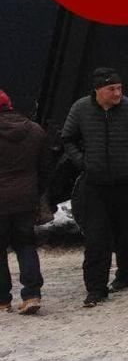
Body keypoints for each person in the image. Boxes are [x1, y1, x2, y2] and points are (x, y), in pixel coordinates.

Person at [61, 68, 128, 307]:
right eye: (111, 89)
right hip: (95, 185)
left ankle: (126, 276)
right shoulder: (81, 109)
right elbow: (68, 138)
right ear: (98, 91)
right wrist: (83, 162)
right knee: (96, 239)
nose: (117, 93)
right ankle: (95, 289)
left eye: (119, 88)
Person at [0, 90, 52, 315]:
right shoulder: (34, 130)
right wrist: (36, 192)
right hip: (25, 198)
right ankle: (31, 294)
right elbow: (46, 168)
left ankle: (2, 300)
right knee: (26, 245)